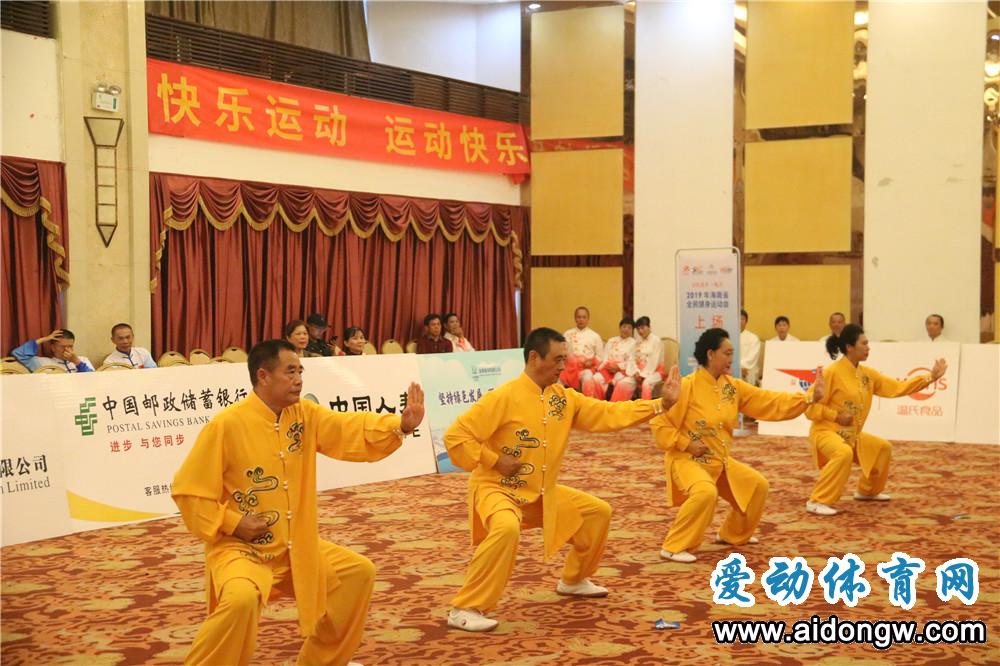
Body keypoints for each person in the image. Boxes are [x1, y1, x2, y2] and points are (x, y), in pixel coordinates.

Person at [172, 339, 425, 666]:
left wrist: (400, 426)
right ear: (263, 376)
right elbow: (189, 491)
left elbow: (347, 428)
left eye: (300, 371)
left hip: (295, 546)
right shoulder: (226, 425)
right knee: (240, 600)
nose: (299, 380)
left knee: (357, 574)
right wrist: (233, 523)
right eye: (290, 372)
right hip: (242, 549)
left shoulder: (305, 415)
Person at [443, 327, 681, 632]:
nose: (563, 366)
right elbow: (456, 437)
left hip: (541, 492)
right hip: (497, 489)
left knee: (597, 513)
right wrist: (495, 460)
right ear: (534, 358)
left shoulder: (564, 399)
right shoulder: (503, 397)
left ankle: (573, 579)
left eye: (564, 359)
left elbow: (608, 413)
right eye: (557, 359)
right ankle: (464, 607)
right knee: (506, 527)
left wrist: (661, 405)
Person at [649, 328, 825, 563]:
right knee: (705, 493)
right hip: (687, 460)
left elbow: (769, 401)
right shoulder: (687, 386)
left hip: (718, 461)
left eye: (733, 353)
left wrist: (809, 398)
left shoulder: (732, 387)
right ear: (710, 354)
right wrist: (686, 443)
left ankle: (733, 534)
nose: (732, 359)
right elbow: (660, 425)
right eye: (727, 353)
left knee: (756, 486)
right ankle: (673, 546)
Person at [804, 324, 947, 516]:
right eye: (864, 344)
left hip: (851, 435)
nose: (868, 348)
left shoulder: (868, 375)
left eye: (868, 343)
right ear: (849, 347)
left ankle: (867, 491)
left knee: (882, 448)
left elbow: (897, 387)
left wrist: (929, 377)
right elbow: (810, 408)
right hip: (825, 433)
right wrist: (836, 416)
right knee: (843, 453)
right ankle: (817, 501)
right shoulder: (831, 373)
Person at [611, 316, 662, 401]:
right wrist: (635, 372)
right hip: (637, 373)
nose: (640, 331)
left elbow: (654, 361)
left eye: (642, 328)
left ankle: (645, 407)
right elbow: (632, 359)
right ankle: (617, 407)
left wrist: (642, 374)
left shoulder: (656, 341)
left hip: (654, 372)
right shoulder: (637, 341)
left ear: (649, 327)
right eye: (638, 329)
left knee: (646, 384)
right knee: (622, 383)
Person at [588, 317, 636, 400]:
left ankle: (611, 401)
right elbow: (605, 357)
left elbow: (631, 361)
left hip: (623, 370)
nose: (626, 329)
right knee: (596, 379)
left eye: (629, 328)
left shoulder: (634, 343)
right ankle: (600, 401)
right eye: (624, 326)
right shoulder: (611, 340)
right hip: (608, 368)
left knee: (618, 382)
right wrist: (603, 367)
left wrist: (618, 367)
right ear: (620, 328)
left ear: (632, 331)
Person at [559, 306, 603, 394]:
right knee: (557, 381)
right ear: (575, 318)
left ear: (588, 319)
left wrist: (591, 362)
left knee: (588, 378)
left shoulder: (595, 336)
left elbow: (600, 357)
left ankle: (587, 402)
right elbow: (561, 351)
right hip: (569, 369)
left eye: (584, 317)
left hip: (586, 368)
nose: (581, 320)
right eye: (579, 317)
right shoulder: (567, 334)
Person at [12, 328, 94, 373]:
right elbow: (18, 353)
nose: (67, 350)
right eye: (63, 347)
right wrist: (45, 339)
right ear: (53, 348)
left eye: (70, 346)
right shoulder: (42, 363)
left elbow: (94, 380)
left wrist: (77, 362)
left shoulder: (83, 360)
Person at [738, 309, 761, 386]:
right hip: (732, 369)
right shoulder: (728, 337)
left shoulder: (753, 338)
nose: (740, 321)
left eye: (742, 319)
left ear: (746, 321)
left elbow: (752, 357)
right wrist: (737, 369)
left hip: (748, 369)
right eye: (738, 318)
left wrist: (740, 367)